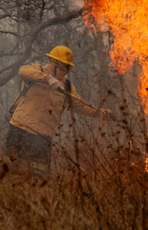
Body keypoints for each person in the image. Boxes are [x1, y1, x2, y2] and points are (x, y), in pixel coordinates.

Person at [6, 45, 108, 174]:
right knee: (10, 171)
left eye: (68, 67)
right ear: (53, 63)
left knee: (39, 176)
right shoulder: (37, 71)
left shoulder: (67, 87)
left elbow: (81, 106)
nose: (65, 71)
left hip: (43, 136)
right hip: (20, 128)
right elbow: (23, 71)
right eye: (63, 66)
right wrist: (47, 78)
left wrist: (102, 113)